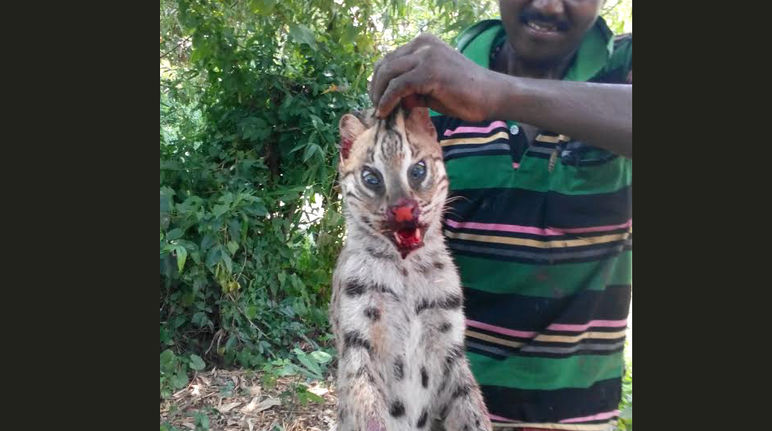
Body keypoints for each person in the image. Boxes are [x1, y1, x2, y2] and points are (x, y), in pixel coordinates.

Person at [369, 1, 632, 430]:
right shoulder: (429, 88)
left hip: (573, 417)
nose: (547, 5)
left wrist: (497, 93)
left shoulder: (622, 68)